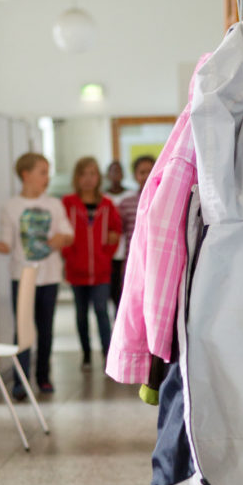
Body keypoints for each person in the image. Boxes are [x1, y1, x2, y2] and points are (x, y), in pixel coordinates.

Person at [0, 153, 73, 398]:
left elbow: (68, 234)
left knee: (46, 330)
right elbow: (7, 245)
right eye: (42, 172)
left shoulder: (54, 205)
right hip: (22, 278)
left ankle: (43, 378)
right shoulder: (11, 207)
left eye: (47, 172)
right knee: (22, 331)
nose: (46, 177)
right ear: (25, 175)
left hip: (49, 278)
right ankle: (20, 381)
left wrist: (62, 238)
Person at [62, 157, 122, 370]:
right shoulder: (67, 203)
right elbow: (62, 233)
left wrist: (105, 254)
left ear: (98, 177)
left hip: (101, 270)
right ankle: (86, 355)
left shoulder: (107, 204)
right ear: (76, 178)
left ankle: (108, 355)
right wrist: (69, 254)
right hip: (76, 271)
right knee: (80, 315)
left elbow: (116, 231)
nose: (88, 179)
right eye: (83, 174)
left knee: (101, 312)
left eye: (92, 174)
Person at [115, 154, 156, 312]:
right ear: (135, 175)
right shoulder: (126, 203)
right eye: (142, 172)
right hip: (134, 263)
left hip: (158, 262)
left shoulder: (165, 198)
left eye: (150, 170)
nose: (146, 176)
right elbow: (118, 236)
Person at [104, 160, 128, 312]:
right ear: (107, 175)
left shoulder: (130, 195)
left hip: (126, 248)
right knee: (112, 288)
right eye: (112, 171)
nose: (116, 174)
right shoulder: (102, 197)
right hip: (109, 250)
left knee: (124, 287)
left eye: (118, 171)